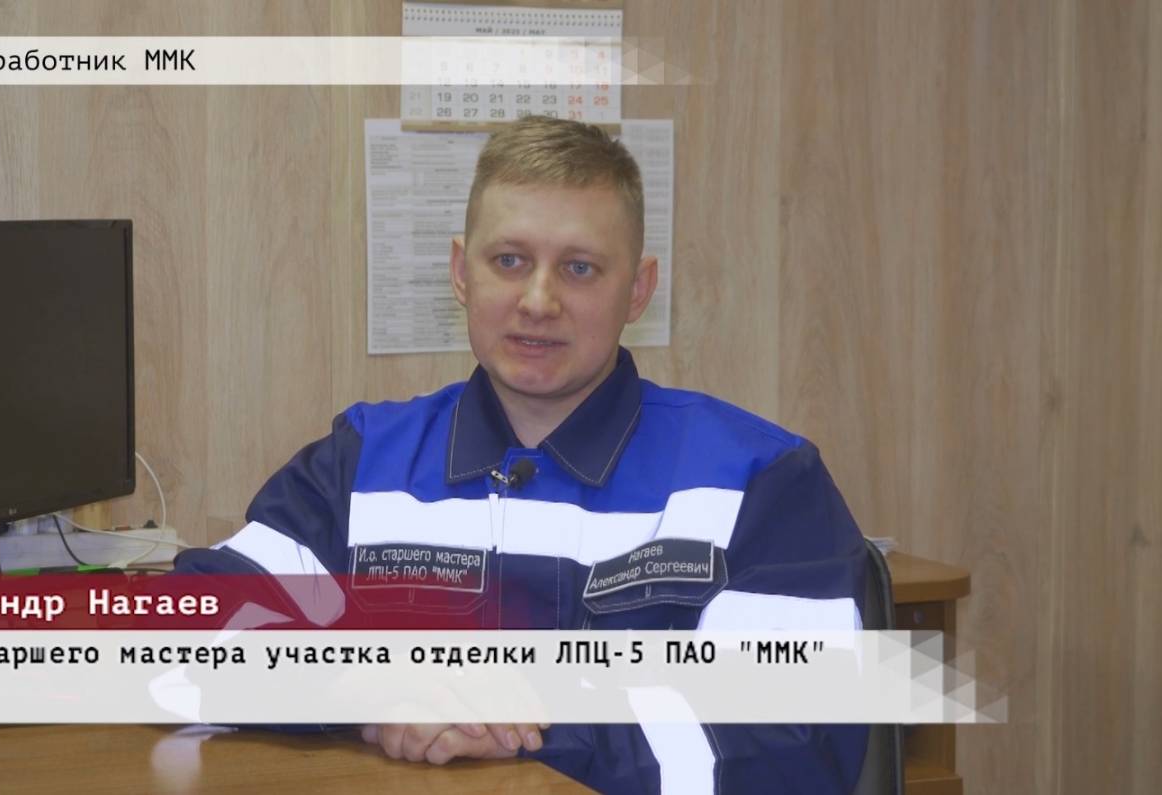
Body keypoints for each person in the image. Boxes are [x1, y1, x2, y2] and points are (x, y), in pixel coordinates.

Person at [175, 116, 869, 794]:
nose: (538, 301)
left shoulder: (758, 479)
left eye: (579, 268)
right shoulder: (363, 463)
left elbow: (800, 739)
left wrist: (532, 726)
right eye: (509, 260)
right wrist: (364, 686)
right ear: (460, 272)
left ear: (637, 290)